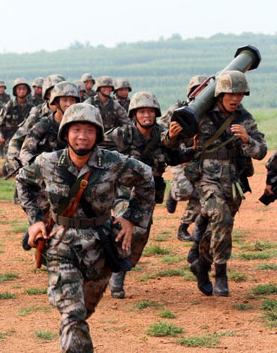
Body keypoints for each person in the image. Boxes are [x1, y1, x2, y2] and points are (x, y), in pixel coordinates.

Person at [16, 103, 154, 353]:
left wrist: (131, 218)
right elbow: (23, 181)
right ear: (66, 133)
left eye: (89, 130)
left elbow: (147, 178)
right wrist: (34, 221)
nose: (82, 136)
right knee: (73, 313)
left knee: (85, 310)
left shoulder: (114, 162)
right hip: (61, 243)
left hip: (101, 245)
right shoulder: (49, 162)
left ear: (98, 133)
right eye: (76, 129)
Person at [165, 70, 267, 297]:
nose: (235, 98)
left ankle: (201, 264)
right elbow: (172, 146)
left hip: (233, 182)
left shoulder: (244, 118)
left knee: (217, 228)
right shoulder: (200, 114)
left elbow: (261, 151)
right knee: (222, 218)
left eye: (240, 94)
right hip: (205, 179)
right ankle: (221, 272)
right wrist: (171, 136)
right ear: (220, 93)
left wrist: (247, 140)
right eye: (231, 93)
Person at [105, 91, 180, 298]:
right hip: (123, 191)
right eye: (142, 111)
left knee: (141, 235)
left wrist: (182, 142)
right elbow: (96, 145)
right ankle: (116, 273)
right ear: (134, 114)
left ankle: (121, 263)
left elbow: (176, 157)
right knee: (125, 227)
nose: (146, 115)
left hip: (148, 195)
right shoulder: (122, 134)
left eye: (150, 111)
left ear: (156, 113)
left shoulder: (163, 134)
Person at [161, 75, 207, 241]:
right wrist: (182, 153)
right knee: (186, 190)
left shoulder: (211, 111)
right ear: (190, 92)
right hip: (179, 155)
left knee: (201, 193)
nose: (201, 92)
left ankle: (183, 227)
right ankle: (173, 192)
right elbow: (162, 131)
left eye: (204, 89)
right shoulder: (178, 109)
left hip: (200, 157)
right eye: (197, 89)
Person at [3, 74, 65, 173]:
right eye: (55, 91)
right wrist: (20, 166)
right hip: (38, 169)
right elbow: (16, 141)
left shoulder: (72, 114)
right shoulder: (37, 114)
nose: (59, 95)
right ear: (47, 94)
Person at [0, 78, 35, 161]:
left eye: (24, 88)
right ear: (15, 91)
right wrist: (0, 136)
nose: (22, 91)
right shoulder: (8, 106)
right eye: (19, 89)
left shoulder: (32, 107)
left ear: (27, 90)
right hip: (10, 140)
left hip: (27, 139)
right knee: (11, 163)